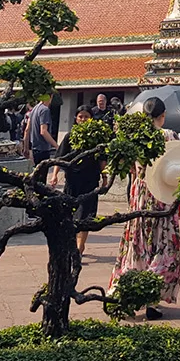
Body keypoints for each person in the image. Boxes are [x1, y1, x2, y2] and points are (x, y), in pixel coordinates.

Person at [112, 98, 180, 320]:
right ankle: (152, 299)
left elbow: (129, 167)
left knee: (137, 242)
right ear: (163, 116)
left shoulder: (134, 137)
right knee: (162, 244)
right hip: (162, 195)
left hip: (141, 195)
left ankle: (127, 291)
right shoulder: (169, 135)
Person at [58, 107, 106, 255]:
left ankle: (80, 246)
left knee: (86, 215)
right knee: (70, 214)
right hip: (72, 181)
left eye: (86, 117)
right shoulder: (70, 136)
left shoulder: (97, 138)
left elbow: (102, 160)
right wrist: (54, 175)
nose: (83, 119)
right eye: (80, 117)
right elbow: (60, 157)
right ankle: (72, 244)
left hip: (90, 180)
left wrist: (105, 178)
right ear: (76, 118)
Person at [26, 93, 58, 183]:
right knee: (42, 179)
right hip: (43, 149)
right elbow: (43, 131)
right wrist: (56, 146)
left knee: (36, 177)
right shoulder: (45, 110)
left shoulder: (34, 109)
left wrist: (26, 147)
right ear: (51, 96)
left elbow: (27, 129)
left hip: (34, 148)